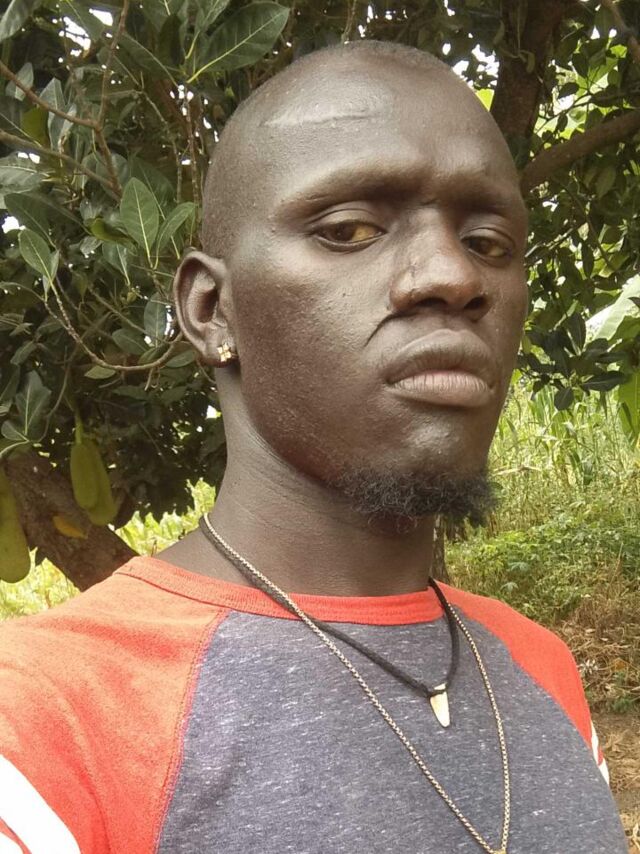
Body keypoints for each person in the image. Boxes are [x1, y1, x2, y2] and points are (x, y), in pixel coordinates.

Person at [0, 41, 627, 854]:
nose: (453, 276)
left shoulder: (540, 666)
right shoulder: (41, 725)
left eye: (488, 242)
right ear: (210, 310)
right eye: (350, 230)